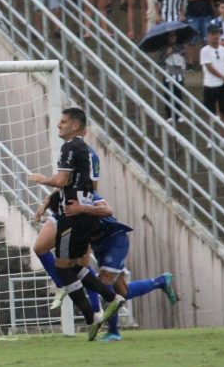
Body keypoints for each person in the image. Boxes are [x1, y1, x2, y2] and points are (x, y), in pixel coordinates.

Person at [28, 108, 123, 331]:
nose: (58, 125)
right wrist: (51, 201)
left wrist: (42, 179)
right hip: (81, 215)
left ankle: (92, 316)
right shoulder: (87, 152)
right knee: (76, 267)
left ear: (75, 126)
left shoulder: (70, 147)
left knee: (63, 269)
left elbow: (62, 180)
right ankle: (111, 299)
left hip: (72, 216)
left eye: (63, 122)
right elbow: (89, 186)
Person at [63, 192, 178, 341]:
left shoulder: (84, 193)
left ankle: (113, 331)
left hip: (114, 239)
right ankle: (161, 281)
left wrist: (82, 208)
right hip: (99, 247)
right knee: (123, 292)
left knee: (104, 281)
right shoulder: (63, 207)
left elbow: (107, 210)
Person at [200, 23, 224, 143]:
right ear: (208, 35)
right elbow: (209, 67)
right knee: (210, 113)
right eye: (213, 34)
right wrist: (223, 77)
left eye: (217, 33)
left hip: (223, 85)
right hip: (210, 84)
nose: (216, 36)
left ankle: (223, 137)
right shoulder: (204, 50)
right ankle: (209, 139)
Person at [185, 0, 217, 67]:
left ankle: (207, 63)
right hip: (192, 14)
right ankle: (190, 63)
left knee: (207, 39)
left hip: (207, 14)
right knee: (191, 39)